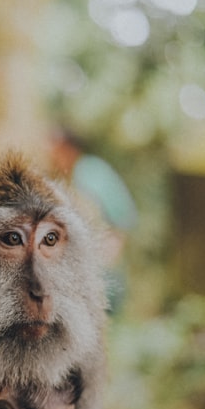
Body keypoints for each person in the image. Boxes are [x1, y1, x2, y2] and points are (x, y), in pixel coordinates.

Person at [50, 130, 137, 313]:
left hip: (103, 272)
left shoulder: (90, 172)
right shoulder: (74, 175)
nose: (49, 154)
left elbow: (122, 216)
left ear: (65, 147)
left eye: (52, 147)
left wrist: (108, 255)